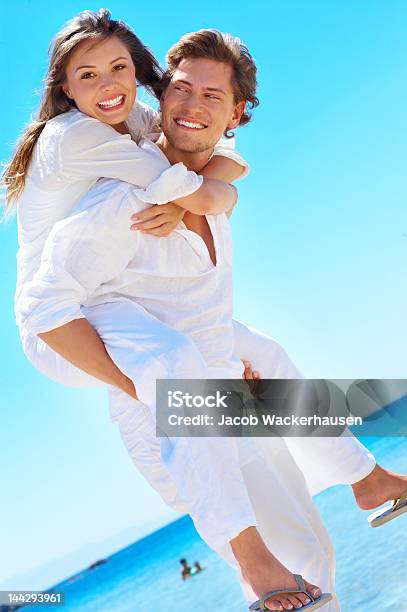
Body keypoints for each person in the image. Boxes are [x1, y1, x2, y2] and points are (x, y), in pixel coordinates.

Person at [18, 29, 407, 610]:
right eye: (183, 90)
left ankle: (365, 478)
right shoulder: (108, 176)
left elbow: (224, 172)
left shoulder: (151, 139)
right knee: (177, 366)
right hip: (116, 366)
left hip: (216, 389)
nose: (192, 106)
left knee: (313, 553)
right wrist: (157, 392)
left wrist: (203, 197)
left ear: (237, 112)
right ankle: (256, 564)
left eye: (212, 96)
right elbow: (44, 308)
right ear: (67, 90)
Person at [2, 8, 249, 393]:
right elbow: (200, 189)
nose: (108, 85)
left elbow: (219, 157)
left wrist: (190, 199)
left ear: (134, 69)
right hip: (62, 323)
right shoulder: (74, 136)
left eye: (118, 68)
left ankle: (340, 449)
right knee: (181, 377)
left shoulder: (129, 115)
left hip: (120, 298)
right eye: (87, 75)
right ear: (66, 87)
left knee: (263, 361)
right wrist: (131, 388)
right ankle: (152, 399)